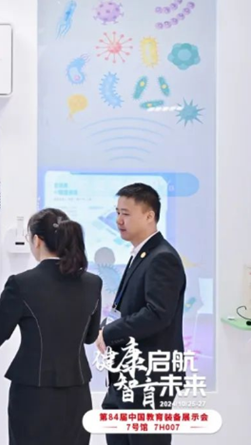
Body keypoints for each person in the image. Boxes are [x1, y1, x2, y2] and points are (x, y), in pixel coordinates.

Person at [0, 208, 102, 445]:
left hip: (33, 394)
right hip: (77, 393)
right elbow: (89, 336)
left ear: (36, 240)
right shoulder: (92, 283)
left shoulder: (21, 284)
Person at [96, 183, 187, 445]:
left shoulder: (162, 257)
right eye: (117, 212)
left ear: (149, 216)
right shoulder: (142, 253)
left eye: (125, 213)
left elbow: (157, 314)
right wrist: (104, 328)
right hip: (126, 376)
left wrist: (110, 332)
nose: (118, 220)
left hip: (148, 379)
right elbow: (129, 309)